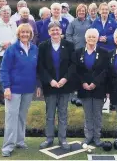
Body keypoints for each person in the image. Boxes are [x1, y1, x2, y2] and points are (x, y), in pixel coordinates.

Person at [0, 24, 41, 157]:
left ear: (31, 34)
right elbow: (4, 69)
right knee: (11, 117)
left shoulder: (35, 49)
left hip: (28, 89)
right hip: (13, 89)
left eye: (27, 32)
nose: (25, 34)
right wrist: (6, 87)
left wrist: (38, 85)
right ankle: (7, 146)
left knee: (22, 116)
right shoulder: (12, 49)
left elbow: (38, 69)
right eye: (22, 32)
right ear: (18, 34)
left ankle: (20, 141)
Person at [38, 21, 75, 150]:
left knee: (63, 113)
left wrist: (65, 79)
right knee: (50, 113)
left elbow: (73, 65)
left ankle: (62, 138)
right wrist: (50, 80)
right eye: (52, 30)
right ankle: (49, 138)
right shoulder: (42, 46)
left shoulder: (69, 45)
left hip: (65, 85)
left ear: (61, 31)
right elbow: (40, 67)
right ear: (49, 32)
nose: (55, 32)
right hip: (50, 85)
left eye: (57, 30)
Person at [72, 28, 108, 147]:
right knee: (88, 114)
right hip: (84, 88)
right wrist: (83, 83)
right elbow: (76, 70)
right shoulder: (78, 52)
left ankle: (97, 138)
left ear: (97, 38)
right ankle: (88, 137)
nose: (91, 39)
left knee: (97, 114)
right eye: (89, 37)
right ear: (85, 38)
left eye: (94, 37)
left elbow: (105, 70)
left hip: (99, 88)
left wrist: (95, 83)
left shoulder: (103, 52)